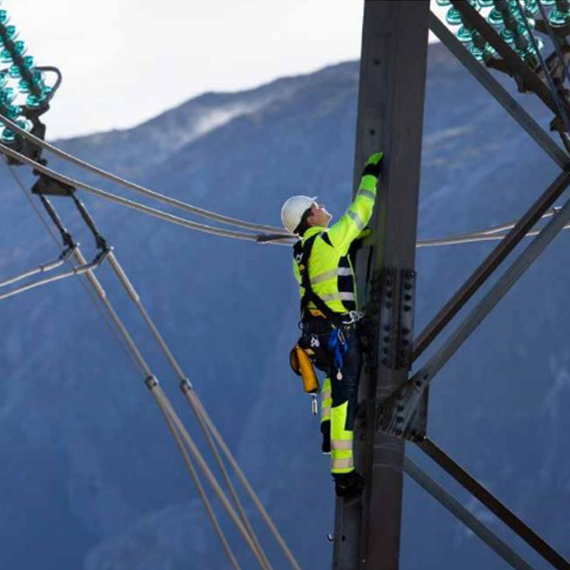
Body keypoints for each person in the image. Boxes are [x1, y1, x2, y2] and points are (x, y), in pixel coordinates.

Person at [281, 152, 383, 497]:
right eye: (318, 206)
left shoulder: (301, 253)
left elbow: (328, 264)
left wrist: (350, 241)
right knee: (344, 401)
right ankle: (344, 474)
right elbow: (361, 210)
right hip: (339, 334)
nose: (324, 207)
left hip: (314, 336)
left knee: (330, 380)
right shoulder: (327, 240)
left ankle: (326, 429)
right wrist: (370, 174)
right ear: (311, 218)